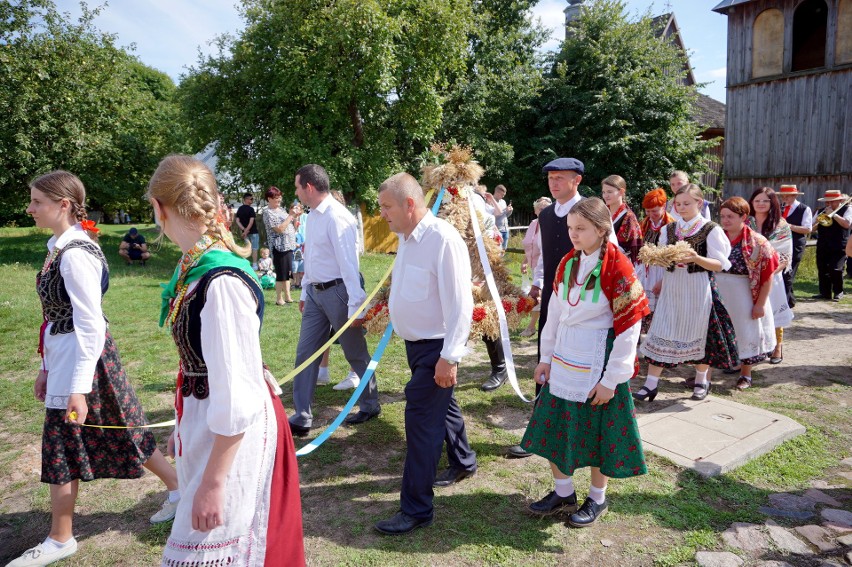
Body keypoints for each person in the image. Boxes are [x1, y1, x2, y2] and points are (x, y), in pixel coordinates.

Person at [9, 171, 180, 567]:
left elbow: (89, 324)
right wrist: (46, 368)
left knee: (68, 444)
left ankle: (60, 538)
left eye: (37, 202)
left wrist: (77, 386)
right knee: (125, 428)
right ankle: (178, 486)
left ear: (63, 205)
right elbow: (55, 318)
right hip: (70, 360)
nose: (30, 209)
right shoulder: (58, 246)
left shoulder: (76, 254)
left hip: (86, 361)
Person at [147, 155, 304, 566]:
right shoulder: (196, 268)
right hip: (210, 420)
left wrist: (214, 483)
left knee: (223, 547)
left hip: (237, 433)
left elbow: (236, 394)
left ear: (158, 209)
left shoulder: (220, 283)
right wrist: (183, 424)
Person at [521, 197, 648, 527]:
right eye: (570, 228)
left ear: (602, 229)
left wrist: (612, 379)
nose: (573, 235)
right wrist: (545, 357)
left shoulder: (617, 267)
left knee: (596, 435)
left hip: (597, 360)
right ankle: (563, 492)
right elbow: (556, 313)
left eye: (581, 229)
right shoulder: (568, 263)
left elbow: (629, 328)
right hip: (564, 357)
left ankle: (597, 498)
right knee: (555, 426)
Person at [371, 173, 476, 535]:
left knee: (421, 427)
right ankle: (463, 460)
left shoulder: (441, 239)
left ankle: (416, 509)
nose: (381, 213)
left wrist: (449, 357)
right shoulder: (407, 237)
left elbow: (461, 304)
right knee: (441, 409)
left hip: (436, 348)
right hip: (418, 348)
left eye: (386, 206)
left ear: (409, 205)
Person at [289, 164, 380, 437]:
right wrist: (306, 291)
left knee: (354, 351)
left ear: (309, 187)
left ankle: (370, 403)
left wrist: (356, 306)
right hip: (316, 294)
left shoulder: (337, 217)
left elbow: (349, 265)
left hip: (339, 294)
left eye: (296, 187)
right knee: (305, 353)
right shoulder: (313, 215)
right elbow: (312, 257)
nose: (295, 192)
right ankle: (302, 416)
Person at [637, 184, 738, 401]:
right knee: (661, 330)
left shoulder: (710, 229)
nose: (681, 208)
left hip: (698, 288)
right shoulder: (669, 230)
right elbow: (665, 258)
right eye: (678, 204)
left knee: (699, 334)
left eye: (687, 203)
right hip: (673, 288)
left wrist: (695, 258)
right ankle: (651, 384)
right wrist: (657, 260)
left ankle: (702, 381)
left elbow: (720, 264)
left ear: (699, 203)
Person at [717, 197, 778, 390]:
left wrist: (760, 304)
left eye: (730, 216)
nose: (725, 220)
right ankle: (709, 373)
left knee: (746, 331)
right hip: (719, 291)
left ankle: (746, 373)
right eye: (723, 216)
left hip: (743, 292)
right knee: (717, 330)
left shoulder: (758, 242)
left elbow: (768, 275)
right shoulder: (716, 238)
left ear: (743, 216)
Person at [748, 187, 794, 364]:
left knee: (773, 310)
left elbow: (785, 256)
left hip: (772, 276)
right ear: (752, 202)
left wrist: (767, 273)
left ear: (772, 203)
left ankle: (777, 346)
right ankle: (751, 349)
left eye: (765, 201)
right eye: (757, 200)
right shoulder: (746, 222)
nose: (760, 204)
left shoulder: (781, 225)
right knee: (749, 311)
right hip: (747, 276)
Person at [638, 188, 675, 328]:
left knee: (662, 312)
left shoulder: (672, 225)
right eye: (648, 211)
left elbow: (674, 257)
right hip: (645, 271)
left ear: (664, 206)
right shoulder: (644, 224)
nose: (651, 215)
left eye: (654, 211)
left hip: (663, 271)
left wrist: (663, 280)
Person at [520, 196, 552, 337]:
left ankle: (532, 327)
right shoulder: (533, 224)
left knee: (539, 296)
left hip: (546, 268)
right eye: (539, 208)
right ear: (535, 210)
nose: (542, 210)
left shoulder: (550, 225)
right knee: (536, 296)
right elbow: (529, 245)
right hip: (534, 267)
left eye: (545, 208)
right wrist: (524, 261)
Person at [811, 189, 851, 301]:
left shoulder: (847, 209)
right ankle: (825, 293)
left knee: (836, 268)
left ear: (839, 201)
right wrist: (820, 220)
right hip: (823, 244)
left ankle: (838, 292)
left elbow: (847, 224)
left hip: (839, 245)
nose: (829, 204)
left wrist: (834, 215)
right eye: (827, 202)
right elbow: (811, 228)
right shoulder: (821, 211)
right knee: (822, 269)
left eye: (832, 201)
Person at [262, 187, 298, 306]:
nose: (279, 199)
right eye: (276, 197)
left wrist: (294, 217)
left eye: (279, 197)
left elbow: (289, 224)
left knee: (287, 272)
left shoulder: (281, 209)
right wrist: (290, 216)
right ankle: (279, 298)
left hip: (289, 245)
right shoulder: (268, 212)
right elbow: (279, 229)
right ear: (269, 199)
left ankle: (288, 296)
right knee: (281, 274)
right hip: (279, 246)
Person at [778, 184, 812, 308]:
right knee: (781, 274)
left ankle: (785, 304)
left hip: (795, 245)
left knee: (788, 273)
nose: (784, 199)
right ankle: (790, 300)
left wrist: (788, 226)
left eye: (787, 196)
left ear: (794, 196)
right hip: (780, 245)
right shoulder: (779, 208)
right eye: (782, 196)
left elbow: (808, 229)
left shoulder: (804, 209)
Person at [601, 175, 642, 265]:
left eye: (609, 192)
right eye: (603, 192)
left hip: (619, 262)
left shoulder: (629, 217)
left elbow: (631, 247)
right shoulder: (601, 212)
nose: (605, 195)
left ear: (621, 192)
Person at [235, 192, 260, 269]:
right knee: (254, 248)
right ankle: (255, 264)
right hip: (253, 232)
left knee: (247, 248)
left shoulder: (240, 209)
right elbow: (251, 221)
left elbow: (237, 221)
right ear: (246, 199)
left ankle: (246, 264)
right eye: (251, 199)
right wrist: (246, 230)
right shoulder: (251, 209)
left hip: (245, 233)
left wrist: (244, 230)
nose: (252, 200)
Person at [490, 184, 513, 251]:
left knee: (503, 250)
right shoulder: (491, 202)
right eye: (502, 195)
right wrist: (505, 210)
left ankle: (501, 261)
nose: (503, 196)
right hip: (497, 230)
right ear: (497, 192)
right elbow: (492, 216)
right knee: (496, 251)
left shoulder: (503, 202)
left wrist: (510, 211)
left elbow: (505, 216)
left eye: (504, 195)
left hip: (505, 230)